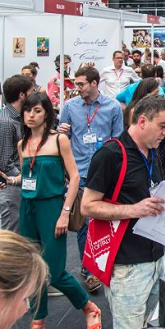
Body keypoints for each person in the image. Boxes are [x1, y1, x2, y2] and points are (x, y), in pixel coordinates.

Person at [82, 96, 165, 329]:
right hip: (126, 264)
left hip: (156, 256)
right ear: (142, 121)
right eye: (162, 126)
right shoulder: (111, 154)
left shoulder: (151, 151)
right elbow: (88, 206)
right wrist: (133, 210)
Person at [6, 93, 102, 329]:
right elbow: (29, 176)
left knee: (55, 272)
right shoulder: (22, 144)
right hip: (28, 208)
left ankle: (89, 307)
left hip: (52, 207)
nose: (31, 115)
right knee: (34, 269)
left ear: (46, 113)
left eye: (37, 110)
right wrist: (11, 180)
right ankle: (38, 324)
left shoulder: (59, 140)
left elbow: (74, 177)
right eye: (27, 110)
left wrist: (65, 212)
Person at [58, 66, 123, 293]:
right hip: (80, 173)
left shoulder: (112, 107)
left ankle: (107, 262)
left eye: (81, 84)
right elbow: (62, 139)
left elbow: (118, 140)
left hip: (105, 173)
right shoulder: (69, 107)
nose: (77, 88)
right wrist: (61, 132)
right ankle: (89, 270)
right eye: (76, 84)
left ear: (94, 83)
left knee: (107, 220)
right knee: (84, 223)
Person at [0, 74, 34, 233]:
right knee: (11, 238)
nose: (34, 95)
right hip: (11, 189)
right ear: (22, 95)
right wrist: (23, 179)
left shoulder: (17, 119)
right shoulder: (6, 122)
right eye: (31, 91)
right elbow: (5, 163)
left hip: (15, 185)